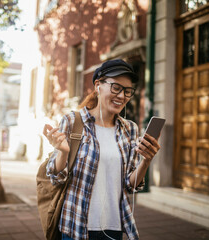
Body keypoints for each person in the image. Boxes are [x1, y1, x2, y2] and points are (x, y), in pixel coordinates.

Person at [43, 59, 161, 240]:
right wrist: (63, 152)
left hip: (114, 227)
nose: (122, 96)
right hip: (75, 226)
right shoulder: (73, 122)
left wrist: (146, 160)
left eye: (127, 91)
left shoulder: (130, 129)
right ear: (98, 85)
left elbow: (130, 185)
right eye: (116, 88)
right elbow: (55, 177)